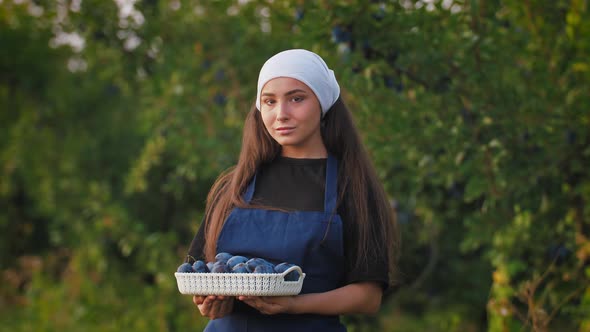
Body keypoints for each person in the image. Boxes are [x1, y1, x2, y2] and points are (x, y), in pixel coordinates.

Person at [186, 49, 400, 331]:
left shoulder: (353, 187)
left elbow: (368, 297)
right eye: (270, 101)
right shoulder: (233, 186)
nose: (281, 114)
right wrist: (208, 302)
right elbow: (201, 274)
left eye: (296, 99)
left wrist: (295, 304)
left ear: (322, 103)